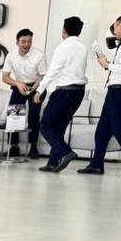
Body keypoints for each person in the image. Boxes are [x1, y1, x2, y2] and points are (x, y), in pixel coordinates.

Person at [77, 15, 121, 178]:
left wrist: (107, 65)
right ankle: (96, 165)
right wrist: (108, 65)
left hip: (119, 90)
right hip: (116, 90)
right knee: (102, 130)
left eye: (115, 27)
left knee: (117, 128)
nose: (114, 31)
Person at [34, 16, 88, 173]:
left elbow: (53, 71)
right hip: (79, 93)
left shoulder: (63, 47)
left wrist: (40, 90)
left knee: (45, 126)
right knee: (59, 129)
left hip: (64, 92)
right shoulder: (83, 47)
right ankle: (52, 162)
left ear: (64, 31)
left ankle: (66, 152)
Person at [1, 28, 46, 158]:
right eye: (23, 42)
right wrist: (18, 84)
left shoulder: (39, 55)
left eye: (29, 41)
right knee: (14, 115)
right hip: (19, 85)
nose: (27, 44)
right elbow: (5, 77)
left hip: (37, 86)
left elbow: (42, 76)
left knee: (33, 116)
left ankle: (33, 147)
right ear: (17, 42)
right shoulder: (11, 55)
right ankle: (14, 147)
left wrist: (34, 88)